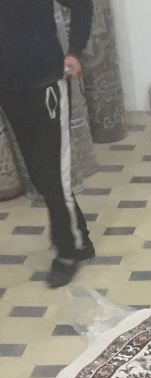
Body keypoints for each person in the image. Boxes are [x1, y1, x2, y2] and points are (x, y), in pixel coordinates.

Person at [0, 0, 96, 287]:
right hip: (9, 90)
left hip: (47, 84)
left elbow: (82, 5)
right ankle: (80, 240)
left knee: (54, 173)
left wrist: (75, 52)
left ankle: (67, 252)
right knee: (41, 175)